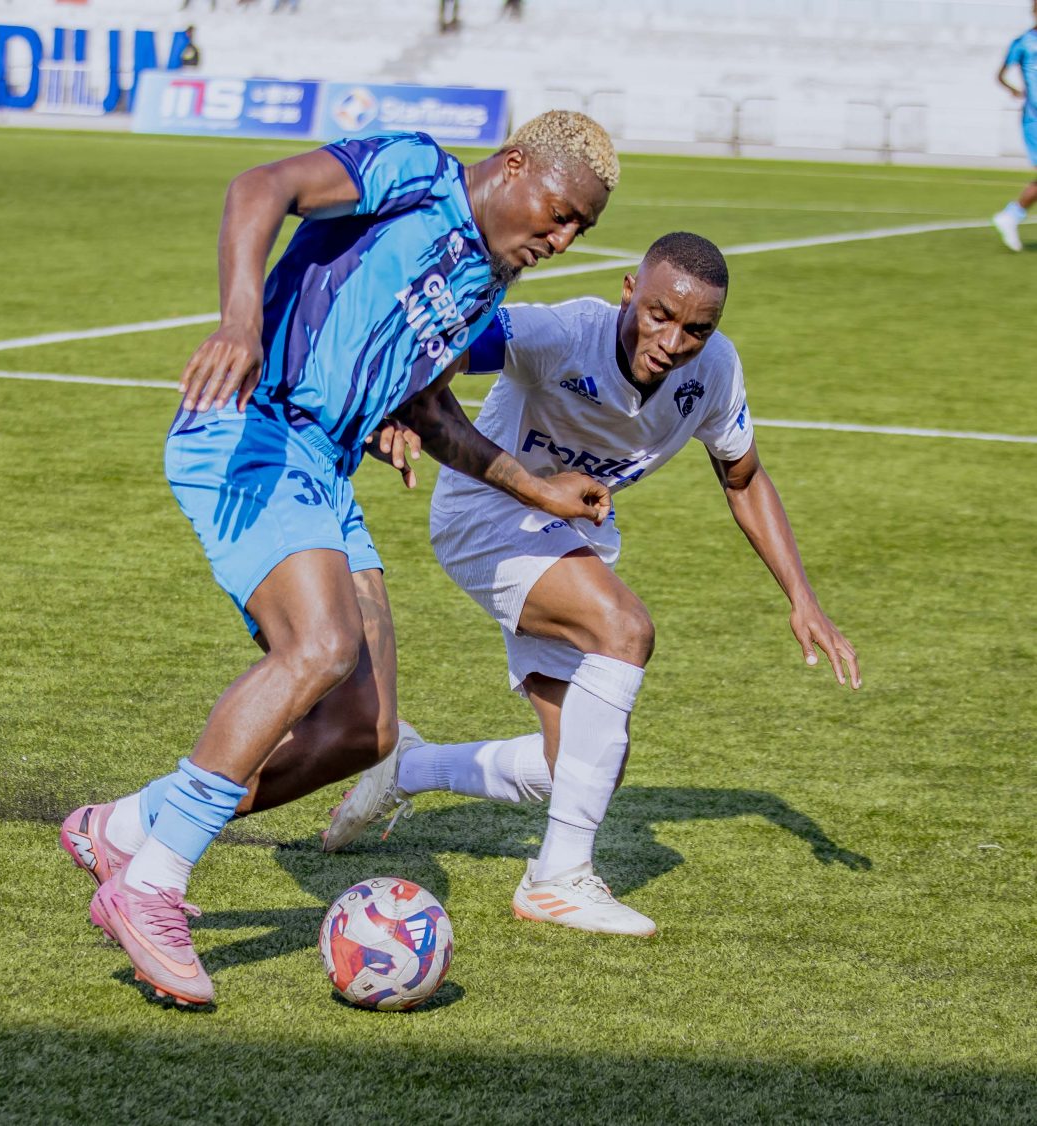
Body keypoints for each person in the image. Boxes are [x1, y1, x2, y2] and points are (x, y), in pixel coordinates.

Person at [59, 112, 620, 1006]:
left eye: (580, 230)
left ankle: (123, 829)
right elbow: (261, 186)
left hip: (322, 467)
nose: (562, 239)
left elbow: (427, 409)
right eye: (559, 214)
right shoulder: (417, 172)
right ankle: (152, 881)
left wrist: (539, 491)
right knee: (318, 646)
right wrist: (241, 323)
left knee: (366, 729)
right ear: (515, 165)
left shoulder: (487, 282)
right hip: (253, 425)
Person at [320, 232, 862, 936]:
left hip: (572, 536)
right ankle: (557, 879)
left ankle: (409, 767)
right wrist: (399, 408)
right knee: (624, 629)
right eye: (660, 315)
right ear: (629, 290)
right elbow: (440, 349)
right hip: (488, 514)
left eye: (697, 329)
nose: (673, 341)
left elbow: (744, 477)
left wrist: (803, 598)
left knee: (579, 763)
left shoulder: (714, 371)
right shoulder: (563, 335)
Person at [992, 0, 1037, 251]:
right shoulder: (1023, 43)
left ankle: (1011, 215)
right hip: (1034, 119)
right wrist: (1014, 90)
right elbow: (1000, 75)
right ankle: (1011, 215)